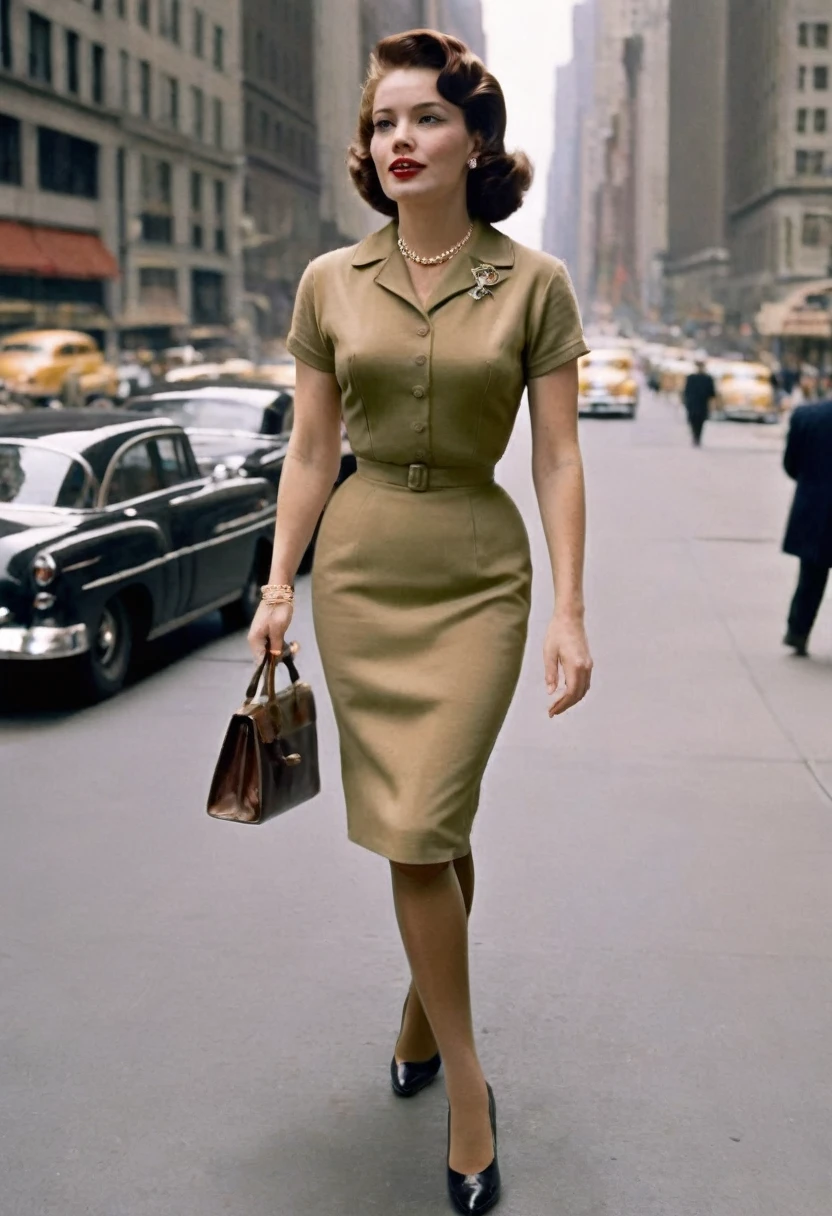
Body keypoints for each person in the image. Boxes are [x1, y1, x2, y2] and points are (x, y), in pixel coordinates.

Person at [247, 30, 593, 1213]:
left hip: (478, 574)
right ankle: (444, 1039)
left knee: (429, 809)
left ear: (474, 141)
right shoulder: (329, 283)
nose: (400, 139)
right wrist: (279, 580)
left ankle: (459, 1073)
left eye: (425, 119)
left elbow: (555, 458)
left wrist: (571, 610)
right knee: (420, 828)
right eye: (384, 122)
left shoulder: (535, 282)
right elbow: (308, 448)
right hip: (362, 570)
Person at [782, 396, 832, 656]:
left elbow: (791, 464)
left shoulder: (806, 416)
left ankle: (797, 632)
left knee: (810, 576)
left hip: (814, 509)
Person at [682, 357, 717, 446]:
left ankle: (697, 437)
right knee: (693, 420)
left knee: (700, 421)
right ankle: (695, 436)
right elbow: (686, 391)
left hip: (702, 403)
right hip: (692, 403)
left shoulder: (708, 378)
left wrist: (712, 403)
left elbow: (712, 392)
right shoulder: (691, 377)